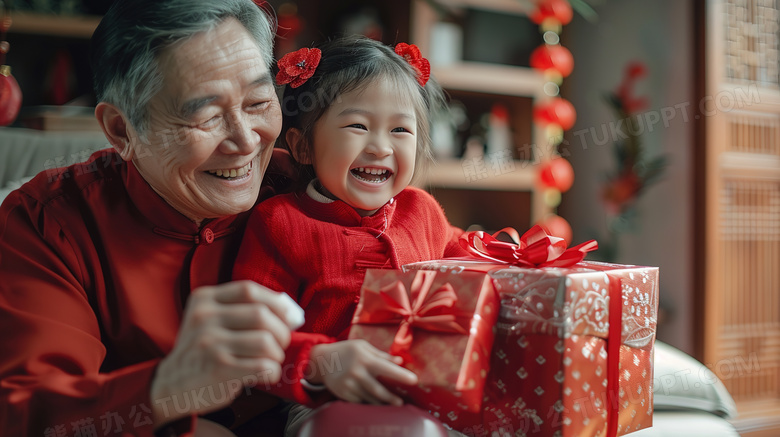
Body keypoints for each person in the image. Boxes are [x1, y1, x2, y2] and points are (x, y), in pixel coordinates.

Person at [0, 0, 304, 435]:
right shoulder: (47, 222)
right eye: (206, 115)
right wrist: (168, 391)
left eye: (258, 102)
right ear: (123, 131)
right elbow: (30, 415)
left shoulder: (312, 188)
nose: (244, 140)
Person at [232, 36, 469, 435]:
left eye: (400, 130)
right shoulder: (279, 223)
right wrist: (321, 361)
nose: (379, 147)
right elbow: (250, 340)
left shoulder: (421, 210)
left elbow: (466, 259)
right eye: (358, 126)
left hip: (433, 384)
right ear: (303, 146)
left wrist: (507, 255)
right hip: (328, 400)